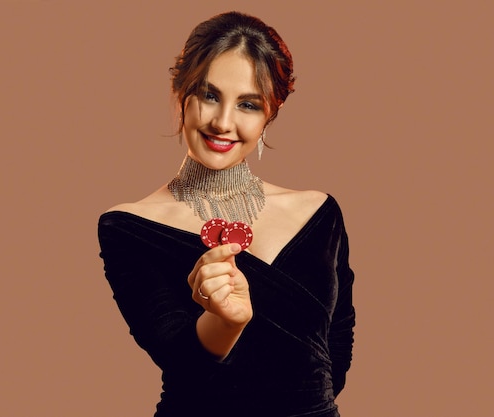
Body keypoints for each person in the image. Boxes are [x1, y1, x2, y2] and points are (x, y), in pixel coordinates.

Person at [98, 11, 355, 417]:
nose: (222, 122)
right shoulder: (127, 226)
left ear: (271, 113)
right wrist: (226, 323)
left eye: (248, 104)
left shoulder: (320, 213)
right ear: (180, 93)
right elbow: (180, 362)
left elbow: (335, 346)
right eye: (209, 95)